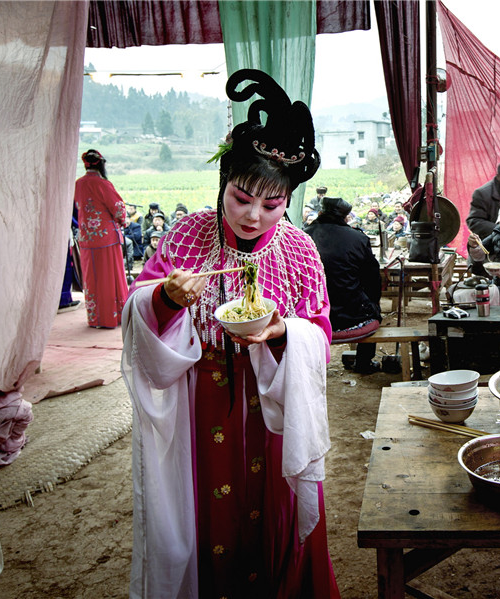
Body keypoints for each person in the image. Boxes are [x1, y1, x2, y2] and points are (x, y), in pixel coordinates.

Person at [122, 69, 340, 598]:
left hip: (275, 404)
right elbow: (137, 305)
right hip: (203, 401)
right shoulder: (188, 234)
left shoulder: (300, 250)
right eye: (241, 198)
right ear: (224, 183)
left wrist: (284, 333)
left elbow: (320, 333)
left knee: (273, 513)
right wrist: (167, 297)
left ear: (288, 200)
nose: (253, 216)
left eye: (272, 205)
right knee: (208, 513)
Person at [305, 197, 383, 374]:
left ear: (320, 213)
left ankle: (310, 367)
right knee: (372, 305)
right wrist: (374, 305)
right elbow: (372, 280)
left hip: (311, 316)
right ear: (346, 217)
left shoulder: (302, 236)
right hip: (353, 318)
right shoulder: (358, 238)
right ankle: (363, 362)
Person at [73, 149, 129, 328]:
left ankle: (95, 318)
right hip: (106, 238)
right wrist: (123, 221)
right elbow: (118, 208)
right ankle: (113, 316)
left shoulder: (78, 184)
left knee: (92, 278)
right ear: (101, 164)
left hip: (86, 238)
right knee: (110, 277)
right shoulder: (103, 184)